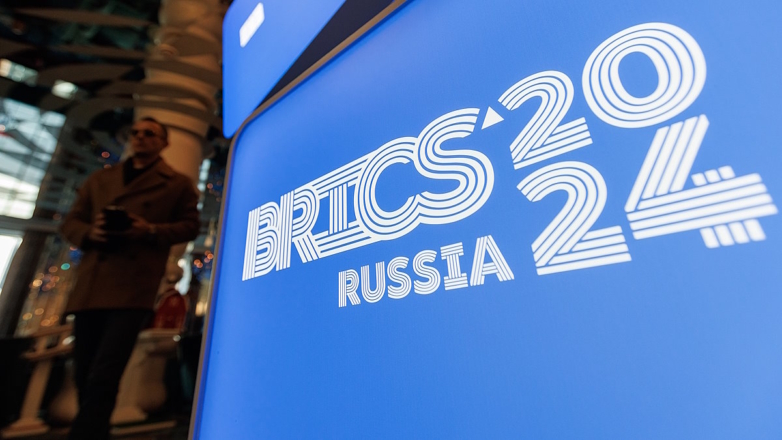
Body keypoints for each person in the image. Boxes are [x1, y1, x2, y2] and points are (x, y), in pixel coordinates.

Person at [59, 117, 200, 439]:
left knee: (105, 373)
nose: (140, 137)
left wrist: (148, 230)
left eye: (149, 133)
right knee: (83, 370)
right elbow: (70, 222)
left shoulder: (177, 184)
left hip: (133, 287)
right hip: (92, 285)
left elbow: (190, 226)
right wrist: (90, 232)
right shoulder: (100, 179)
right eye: (135, 133)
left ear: (163, 143)